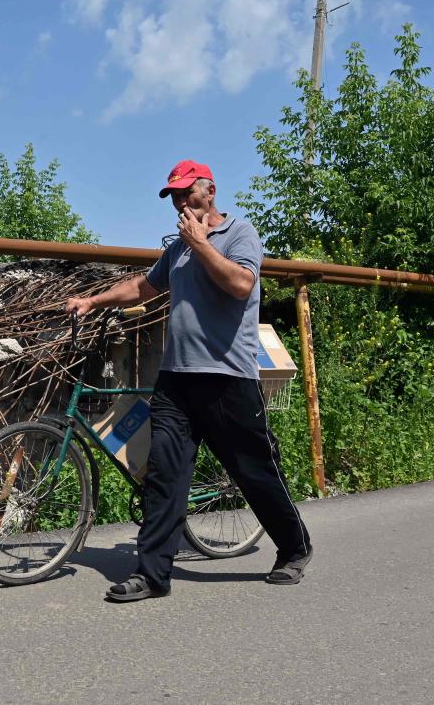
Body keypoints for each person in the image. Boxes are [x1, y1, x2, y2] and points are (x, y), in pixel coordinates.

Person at [65, 160, 312, 602]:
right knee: (164, 476)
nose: (180, 203)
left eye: (186, 194)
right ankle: (153, 575)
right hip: (177, 381)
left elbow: (240, 284)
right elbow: (145, 286)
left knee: (254, 471)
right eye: (174, 197)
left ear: (210, 192)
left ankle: (294, 548)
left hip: (227, 377)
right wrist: (93, 300)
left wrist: (200, 244)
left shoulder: (239, 233)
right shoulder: (177, 248)